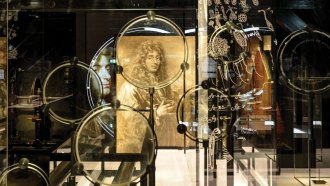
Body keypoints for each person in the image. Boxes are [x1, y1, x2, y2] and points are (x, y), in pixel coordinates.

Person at [117, 39, 177, 151]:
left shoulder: (160, 83)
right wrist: (157, 113)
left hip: (161, 139)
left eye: (158, 57)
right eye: (150, 57)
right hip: (138, 145)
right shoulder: (130, 86)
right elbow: (130, 120)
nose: (155, 62)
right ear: (142, 60)